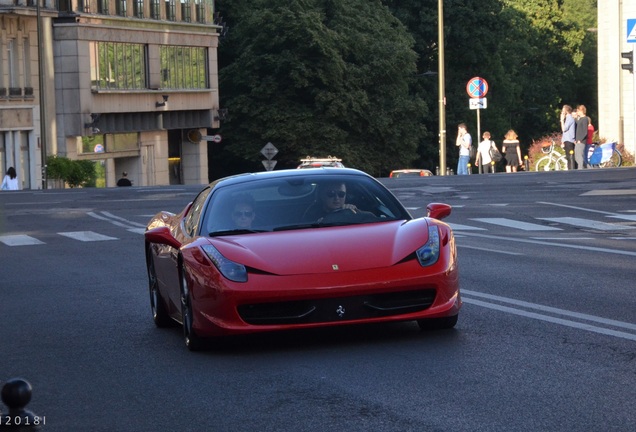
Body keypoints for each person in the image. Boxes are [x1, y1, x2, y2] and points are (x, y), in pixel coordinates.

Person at [560, 105, 576, 170]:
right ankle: (570, 169)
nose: (562, 112)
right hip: (567, 140)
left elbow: (564, 129)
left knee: (570, 157)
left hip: (569, 140)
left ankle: (572, 170)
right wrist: (563, 140)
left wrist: (561, 120)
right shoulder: (568, 119)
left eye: (563, 111)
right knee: (568, 157)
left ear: (566, 111)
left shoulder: (569, 118)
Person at [574, 105, 589, 169]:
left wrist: (580, 139)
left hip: (581, 141)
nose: (577, 112)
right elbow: (578, 122)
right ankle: (588, 169)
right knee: (577, 156)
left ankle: (580, 170)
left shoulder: (585, 119)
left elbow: (585, 132)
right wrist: (575, 118)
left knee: (580, 157)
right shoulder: (581, 119)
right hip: (578, 141)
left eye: (578, 111)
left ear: (582, 111)